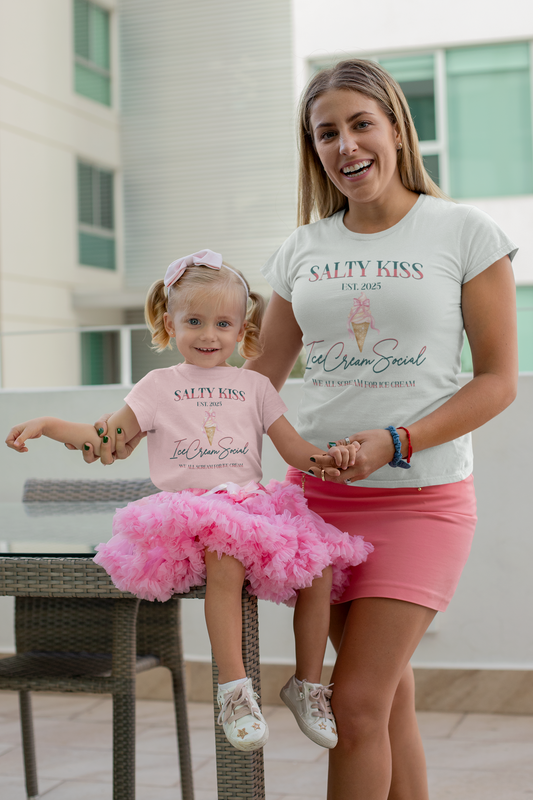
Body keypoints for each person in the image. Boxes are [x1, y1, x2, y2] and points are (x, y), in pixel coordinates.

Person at [38, 60, 518, 798]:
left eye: (360, 123)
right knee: (384, 703)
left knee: (352, 702)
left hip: (420, 498)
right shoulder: (301, 251)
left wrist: (394, 442)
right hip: (314, 506)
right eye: (326, 132)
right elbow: (258, 375)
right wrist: (147, 421)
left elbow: (495, 381)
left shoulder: (464, 231)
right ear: (312, 148)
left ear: (395, 126)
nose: (345, 144)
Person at [5, 249, 373, 756]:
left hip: (251, 504)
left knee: (319, 569)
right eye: (194, 321)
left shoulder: (255, 386)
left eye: (223, 323)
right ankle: (235, 692)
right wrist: (48, 425)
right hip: (192, 510)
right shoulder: (158, 386)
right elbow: (105, 435)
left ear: (242, 327)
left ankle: (307, 686)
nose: (208, 335)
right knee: (225, 560)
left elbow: (294, 448)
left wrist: (330, 459)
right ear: (168, 321)